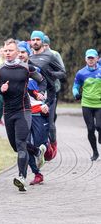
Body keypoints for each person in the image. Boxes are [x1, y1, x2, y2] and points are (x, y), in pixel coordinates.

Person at [0, 38, 46, 191]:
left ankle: (21, 177)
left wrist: (39, 93)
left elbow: (42, 80)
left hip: (23, 110)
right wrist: (0, 90)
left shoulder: (26, 68)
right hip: (8, 112)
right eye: (6, 51)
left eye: (11, 51)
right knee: (16, 146)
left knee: (20, 144)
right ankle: (37, 151)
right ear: (3, 52)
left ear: (17, 52)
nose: (8, 53)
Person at [29, 30, 66, 161]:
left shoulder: (50, 56)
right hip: (34, 97)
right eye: (33, 40)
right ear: (30, 42)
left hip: (49, 96)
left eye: (37, 40)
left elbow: (62, 73)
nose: (35, 42)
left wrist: (53, 74)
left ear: (42, 42)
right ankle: (41, 151)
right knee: (36, 128)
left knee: (50, 126)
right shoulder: (29, 58)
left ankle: (53, 144)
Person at [17, 41, 48, 186]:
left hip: (37, 111)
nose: (21, 55)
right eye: (19, 52)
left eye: (23, 52)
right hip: (22, 111)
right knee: (24, 144)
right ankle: (36, 174)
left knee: (42, 143)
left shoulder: (35, 70)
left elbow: (45, 85)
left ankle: (44, 148)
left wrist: (44, 101)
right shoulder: (12, 70)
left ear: (28, 54)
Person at [73, 49, 101, 161]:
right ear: (85, 59)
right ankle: (95, 152)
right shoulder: (81, 73)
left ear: (97, 59)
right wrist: (76, 93)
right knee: (90, 129)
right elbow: (75, 86)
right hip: (87, 104)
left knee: (99, 126)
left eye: (92, 58)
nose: (90, 60)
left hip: (99, 104)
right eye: (88, 58)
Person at [43, 35, 66, 122]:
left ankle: (51, 128)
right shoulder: (36, 54)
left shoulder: (55, 54)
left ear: (49, 45)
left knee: (52, 112)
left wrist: (51, 74)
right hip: (41, 88)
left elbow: (62, 70)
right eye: (43, 45)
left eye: (46, 45)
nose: (44, 47)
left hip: (54, 87)